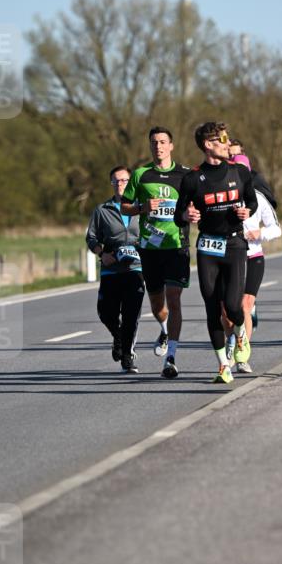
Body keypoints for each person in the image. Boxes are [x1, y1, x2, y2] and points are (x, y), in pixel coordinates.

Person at [174, 121, 257, 384]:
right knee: (212, 307)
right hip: (208, 247)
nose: (227, 143)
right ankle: (223, 365)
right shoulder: (192, 178)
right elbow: (178, 215)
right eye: (222, 139)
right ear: (208, 145)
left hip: (234, 244)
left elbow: (252, 201)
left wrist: (248, 211)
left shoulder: (240, 172)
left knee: (233, 307)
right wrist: (187, 214)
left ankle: (241, 332)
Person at [121, 127, 190, 379]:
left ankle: (171, 358)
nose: (158, 146)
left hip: (176, 246)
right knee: (158, 305)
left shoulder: (185, 175)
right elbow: (125, 206)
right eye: (154, 143)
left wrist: (191, 215)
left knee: (174, 299)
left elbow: (195, 205)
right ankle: (164, 329)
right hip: (150, 249)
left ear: (171, 145)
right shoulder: (141, 174)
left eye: (162, 142)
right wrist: (141, 207)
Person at [221, 153, 281, 373]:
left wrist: (260, 233)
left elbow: (275, 229)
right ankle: (231, 338)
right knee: (227, 312)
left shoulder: (258, 197)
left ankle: (242, 352)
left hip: (253, 257)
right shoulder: (222, 196)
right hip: (227, 257)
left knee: (245, 305)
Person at [86, 166, 145, 373]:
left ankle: (127, 357)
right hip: (111, 270)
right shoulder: (103, 210)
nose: (120, 184)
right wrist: (103, 254)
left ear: (131, 183)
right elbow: (91, 237)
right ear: (111, 184)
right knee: (106, 313)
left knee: (131, 315)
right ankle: (118, 338)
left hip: (136, 269)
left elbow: (153, 233)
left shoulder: (141, 207)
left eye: (124, 180)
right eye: (115, 181)